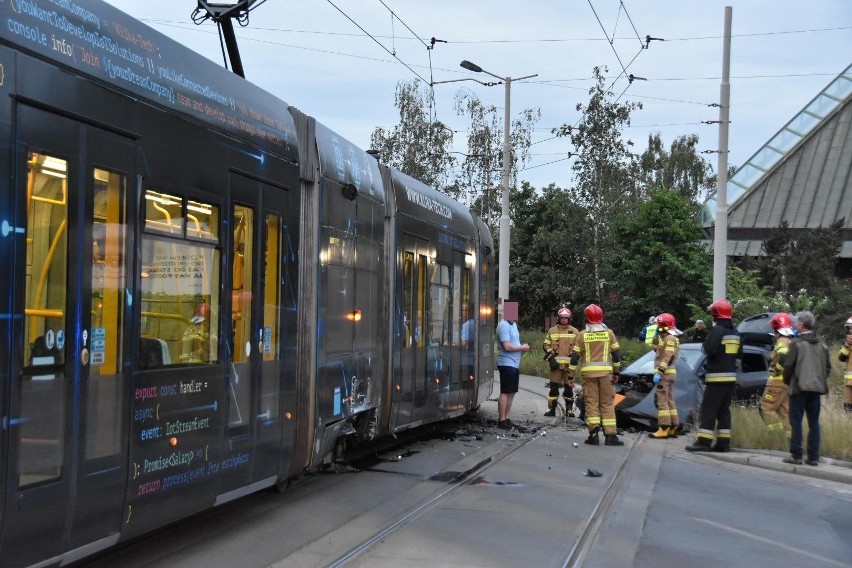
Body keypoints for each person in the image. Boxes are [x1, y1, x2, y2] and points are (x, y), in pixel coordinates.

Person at [686, 299, 741, 453]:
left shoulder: (717, 331)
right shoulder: (735, 332)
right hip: (730, 379)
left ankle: (703, 442)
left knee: (708, 409)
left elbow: (707, 350)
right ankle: (723, 443)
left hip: (716, 378)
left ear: (716, 313)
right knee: (724, 411)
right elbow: (738, 358)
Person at [569, 304, 624, 446]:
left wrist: (570, 376)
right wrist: (616, 372)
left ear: (586, 318)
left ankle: (593, 435)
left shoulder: (582, 335)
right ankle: (611, 436)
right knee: (607, 403)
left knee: (591, 403)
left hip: (588, 375)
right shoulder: (609, 333)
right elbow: (616, 355)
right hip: (606, 375)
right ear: (601, 317)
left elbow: (575, 358)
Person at [782, 311, 831, 466]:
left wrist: (787, 381)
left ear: (802, 325)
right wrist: (818, 380)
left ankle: (796, 455)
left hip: (799, 388)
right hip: (816, 389)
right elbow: (828, 368)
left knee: (796, 422)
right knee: (814, 423)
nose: (796, 325)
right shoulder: (822, 344)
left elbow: (788, 366)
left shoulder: (796, 344)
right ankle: (813, 457)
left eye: (797, 323)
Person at [496, 302, 530, 432]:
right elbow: (507, 346)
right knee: (505, 391)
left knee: (512, 392)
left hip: (514, 363)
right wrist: (522, 348)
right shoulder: (503, 325)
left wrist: (521, 345)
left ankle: (507, 418)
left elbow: (514, 342)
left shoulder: (514, 325)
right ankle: (501, 419)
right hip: (506, 363)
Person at [760, 313, 794, 440]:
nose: (773, 335)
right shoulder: (789, 340)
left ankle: (776, 437)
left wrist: (778, 370)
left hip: (776, 383)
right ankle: (788, 439)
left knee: (766, 407)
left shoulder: (782, 341)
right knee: (783, 411)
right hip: (785, 383)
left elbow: (784, 357)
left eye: (774, 332)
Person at [648, 313, 682, 439]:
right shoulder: (669, 338)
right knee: (669, 401)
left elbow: (668, 356)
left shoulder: (670, 339)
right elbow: (658, 351)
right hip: (669, 374)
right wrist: (656, 338)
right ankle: (674, 426)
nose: (657, 327)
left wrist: (659, 372)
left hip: (664, 375)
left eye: (659, 326)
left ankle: (663, 428)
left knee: (662, 401)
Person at [542, 307, 579, 417]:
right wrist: (551, 358)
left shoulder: (575, 331)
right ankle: (551, 409)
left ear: (569, 319)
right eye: (562, 318)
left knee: (568, 389)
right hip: (555, 366)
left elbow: (578, 347)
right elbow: (546, 345)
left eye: (566, 318)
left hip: (569, 367)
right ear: (559, 318)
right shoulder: (552, 331)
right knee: (553, 388)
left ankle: (569, 410)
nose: (564, 320)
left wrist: (575, 359)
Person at [839, 316, 852, 413]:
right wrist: (847, 345)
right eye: (849, 328)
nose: (850, 330)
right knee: (847, 405)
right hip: (849, 382)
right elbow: (841, 358)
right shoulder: (848, 343)